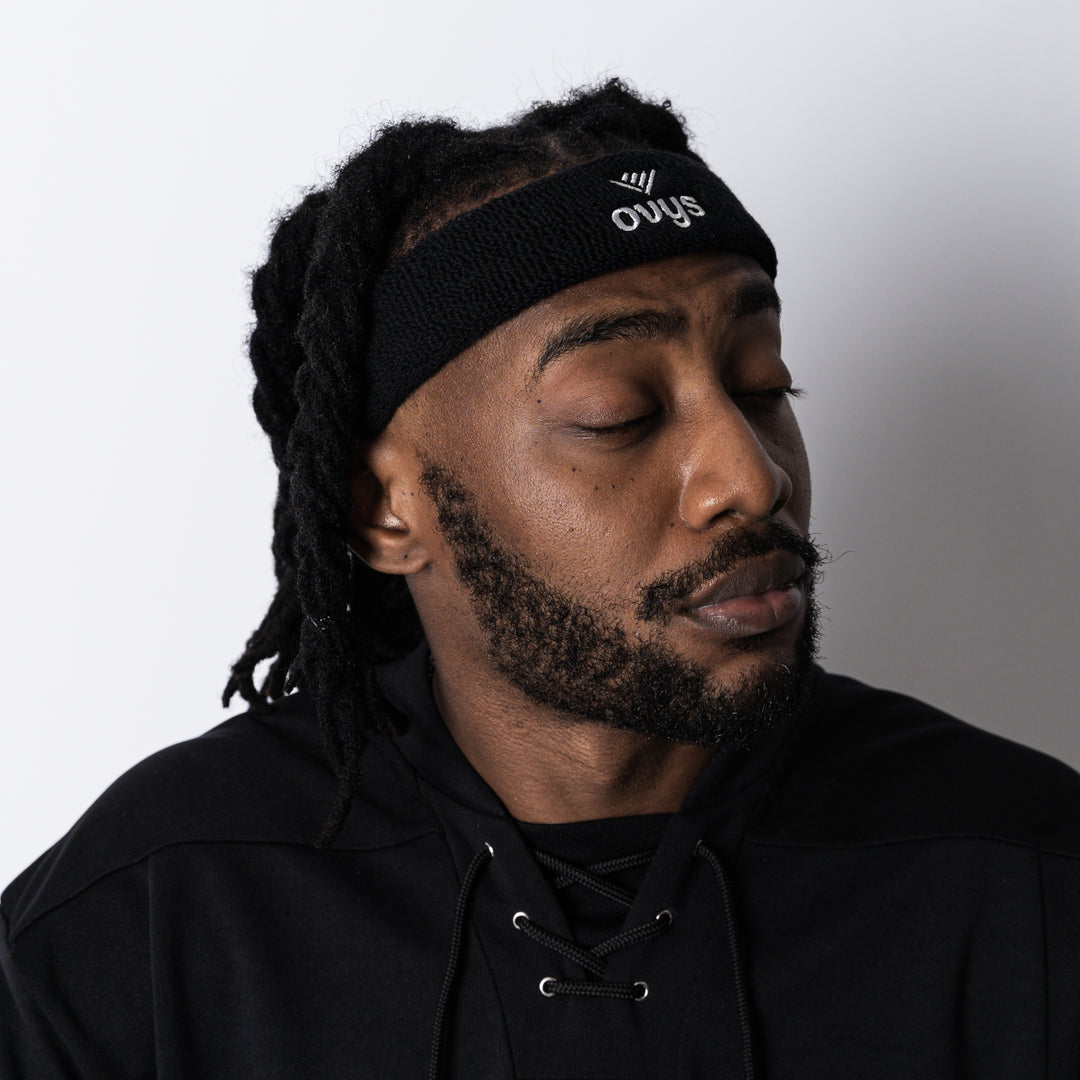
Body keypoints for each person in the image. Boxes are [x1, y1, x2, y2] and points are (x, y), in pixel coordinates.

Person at [2, 80, 1078, 1080]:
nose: (753, 479)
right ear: (383, 511)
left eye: (763, 385)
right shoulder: (147, 919)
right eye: (619, 415)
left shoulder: (1028, 874)